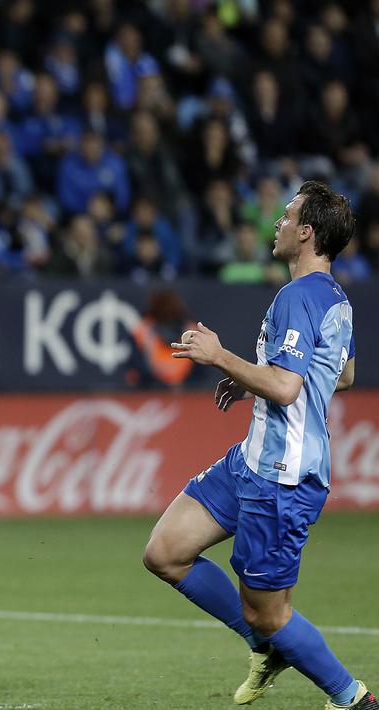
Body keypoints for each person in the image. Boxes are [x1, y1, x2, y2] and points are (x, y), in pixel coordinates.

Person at [143, 182, 374, 710]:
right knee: (166, 552)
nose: (278, 223)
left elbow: (290, 387)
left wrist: (222, 357)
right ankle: (264, 649)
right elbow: (342, 375)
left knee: (268, 613)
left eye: (287, 216)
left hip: (282, 476)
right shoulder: (334, 297)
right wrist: (255, 378)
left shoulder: (297, 295)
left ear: (307, 232)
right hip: (254, 459)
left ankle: (353, 698)